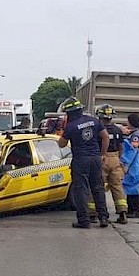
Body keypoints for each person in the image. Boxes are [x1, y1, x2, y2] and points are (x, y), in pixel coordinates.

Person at [58, 97, 109, 229]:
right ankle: (103, 217)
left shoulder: (71, 126)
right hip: (95, 158)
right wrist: (102, 154)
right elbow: (105, 137)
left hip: (80, 160)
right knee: (98, 188)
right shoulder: (94, 121)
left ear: (69, 113)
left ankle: (83, 220)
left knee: (81, 189)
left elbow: (61, 144)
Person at [88, 104, 128, 224]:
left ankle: (92, 213)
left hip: (101, 158)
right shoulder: (117, 130)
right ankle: (122, 212)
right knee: (117, 187)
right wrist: (118, 159)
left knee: (96, 186)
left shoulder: (97, 129)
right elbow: (121, 147)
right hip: (115, 158)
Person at [122, 114, 139, 218]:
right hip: (132, 164)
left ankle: (135, 210)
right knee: (131, 187)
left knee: (133, 187)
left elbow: (132, 151)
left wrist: (126, 164)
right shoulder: (134, 133)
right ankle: (133, 209)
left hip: (132, 164)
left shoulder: (135, 136)